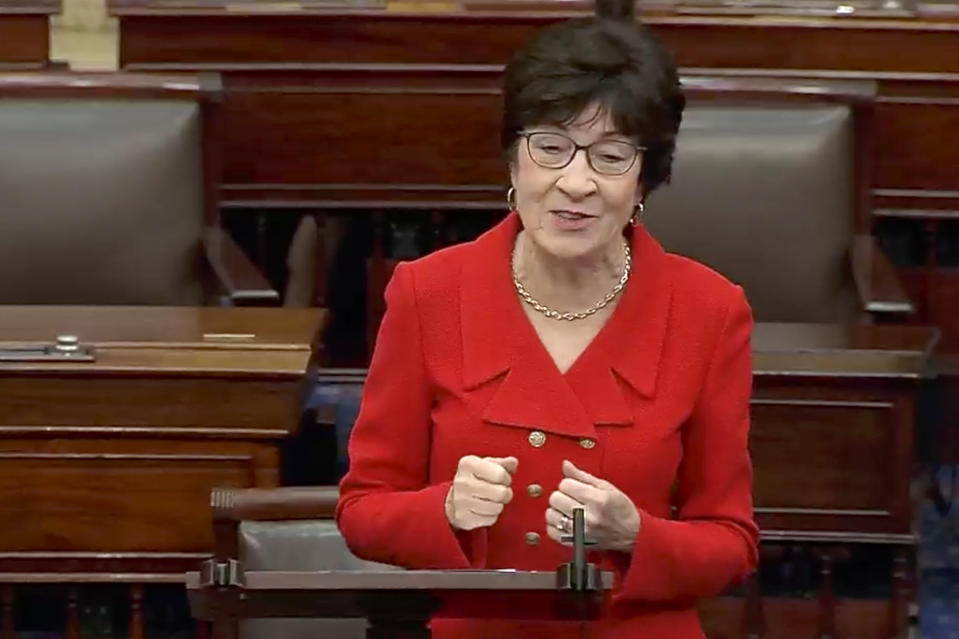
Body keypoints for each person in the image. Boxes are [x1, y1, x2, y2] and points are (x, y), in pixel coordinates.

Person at [336, 0, 758, 636]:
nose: (576, 182)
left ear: (645, 178)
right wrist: (444, 509)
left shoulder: (709, 311)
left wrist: (636, 533)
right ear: (513, 160)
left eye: (610, 157)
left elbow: (732, 543)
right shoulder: (428, 293)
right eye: (552, 148)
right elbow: (362, 511)